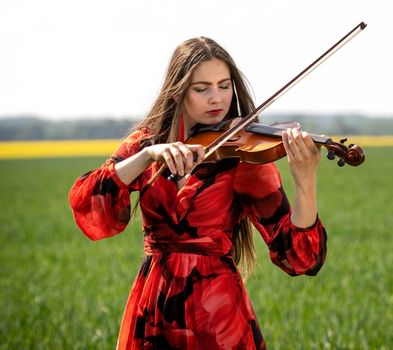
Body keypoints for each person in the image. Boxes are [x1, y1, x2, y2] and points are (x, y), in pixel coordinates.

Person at [69, 36, 327, 350]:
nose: (216, 98)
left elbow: (300, 258)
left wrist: (306, 183)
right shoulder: (145, 144)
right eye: (202, 88)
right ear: (178, 91)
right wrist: (147, 156)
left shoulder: (242, 156)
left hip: (216, 313)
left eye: (224, 85)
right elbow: (90, 207)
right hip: (153, 307)